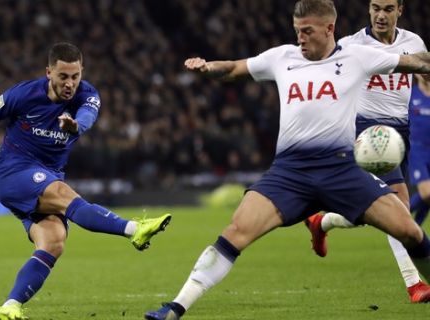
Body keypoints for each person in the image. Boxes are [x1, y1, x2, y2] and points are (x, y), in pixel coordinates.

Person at [144, 0, 430, 319]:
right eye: (297, 31)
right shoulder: (283, 57)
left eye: (307, 31)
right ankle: (175, 307)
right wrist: (207, 67)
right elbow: (235, 68)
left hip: (342, 169)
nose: (300, 38)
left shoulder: (357, 56)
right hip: (290, 172)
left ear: (329, 28)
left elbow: (416, 63)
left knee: (410, 230)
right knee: (237, 229)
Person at [0, 42, 172, 320]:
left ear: (82, 72)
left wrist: (76, 125)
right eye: (63, 76)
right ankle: (133, 230)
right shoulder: (23, 94)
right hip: (13, 172)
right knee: (62, 193)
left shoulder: (87, 94)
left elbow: (88, 115)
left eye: (75, 76)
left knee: (54, 241)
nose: (70, 83)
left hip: (47, 175)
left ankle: (10, 306)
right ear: (48, 73)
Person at [303, 0, 430, 303]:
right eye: (375, 8)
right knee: (397, 204)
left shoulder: (414, 42)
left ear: (401, 9)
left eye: (387, 8)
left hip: (401, 130)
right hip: (366, 130)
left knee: (372, 211)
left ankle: (323, 222)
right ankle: (414, 283)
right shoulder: (350, 45)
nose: (380, 15)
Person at [408, 73, 430, 225]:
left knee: (428, 197)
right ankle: (398, 216)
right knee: (427, 193)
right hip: (416, 151)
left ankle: (415, 229)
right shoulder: (410, 94)